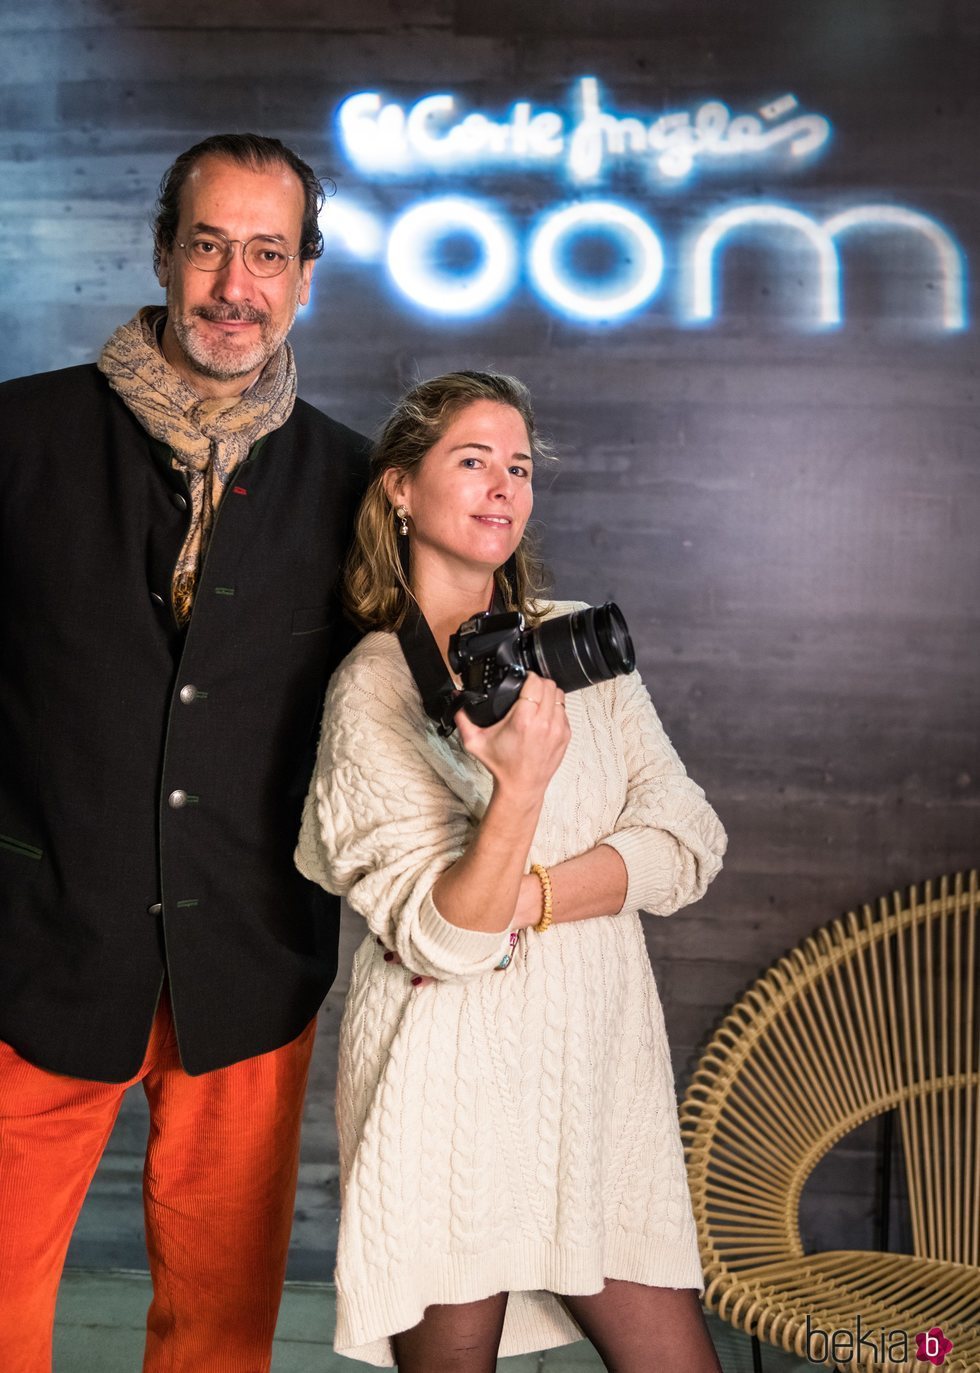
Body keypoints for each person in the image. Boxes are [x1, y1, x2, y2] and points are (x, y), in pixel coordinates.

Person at [0, 134, 368, 1373]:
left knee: (219, 1334)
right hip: (34, 940)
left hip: (247, 959)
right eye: (209, 246)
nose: (234, 284)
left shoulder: (355, 481)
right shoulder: (20, 433)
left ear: (304, 276)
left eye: (268, 253)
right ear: (164, 253)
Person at [296, 371, 728, 1371]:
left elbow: (686, 843)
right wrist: (521, 790)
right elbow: (446, 940)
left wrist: (527, 897)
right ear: (399, 487)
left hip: (592, 1071)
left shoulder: (575, 647)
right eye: (471, 460)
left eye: (519, 466)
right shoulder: (371, 689)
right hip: (441, 1086)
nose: (502, 486)